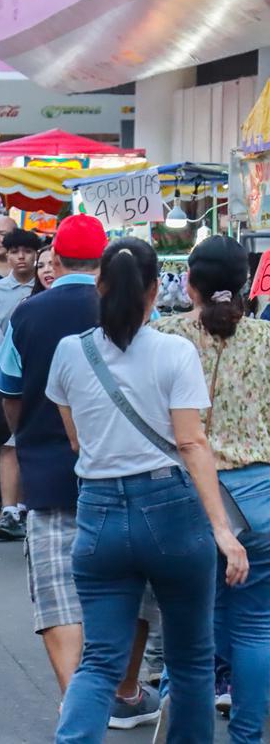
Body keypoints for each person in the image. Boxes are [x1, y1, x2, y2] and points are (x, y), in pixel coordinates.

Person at [46, 237, 248, 742]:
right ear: (157, 288)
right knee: (192, 660)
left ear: (99, 284)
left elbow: (75, 440)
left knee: (100, 662)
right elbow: (191, 442)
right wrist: (223, 530)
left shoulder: (71, 352)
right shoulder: (176, 351)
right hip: (172, 512)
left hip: (98, 512)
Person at [0, 215, 161, 729]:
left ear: (55, 261)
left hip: (48, 470)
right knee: (130, 583)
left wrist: (26, 436)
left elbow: (9, 387)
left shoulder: (28, 313)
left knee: (57, 588)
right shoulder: (130, 309)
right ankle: (124, 692)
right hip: (122, 469)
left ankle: (77, 699)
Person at [156, 236, 270, 743]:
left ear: (190, 283)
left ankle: (185, 725)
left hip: (184, 493)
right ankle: (247, 736)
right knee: (255, 625)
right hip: (260, 492)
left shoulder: (161, 336)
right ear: (245, 284)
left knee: (187, 622)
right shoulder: (265, 341)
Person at [0, 227, 41, 541]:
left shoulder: (45, 289)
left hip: (41, 376)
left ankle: (34, 505)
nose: (21, 257)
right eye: (16, 251)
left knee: (36, 441)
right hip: (5, 375)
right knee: (7, 441)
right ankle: (8, 509)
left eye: (28, 252)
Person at [0, 228, 40, 331]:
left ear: (36, 255)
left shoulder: (48, 288)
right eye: (14, 252)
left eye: (28, 251)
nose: (21, 256)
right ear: (7, 256)